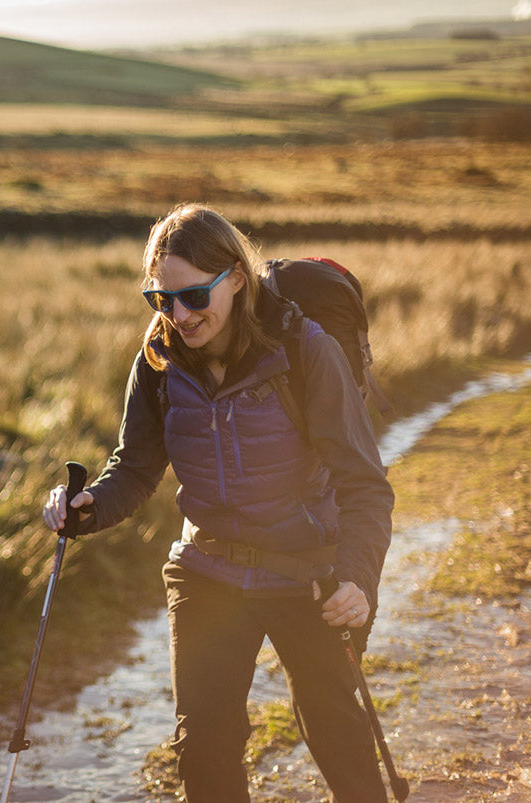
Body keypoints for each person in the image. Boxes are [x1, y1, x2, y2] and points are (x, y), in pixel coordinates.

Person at [42, 204, 394, 802]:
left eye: (194, 297)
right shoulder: (158, 363)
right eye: (161, 300)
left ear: (236, 277)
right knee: (203, 746)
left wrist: (358, 578)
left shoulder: (305, 352)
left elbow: (364, 485)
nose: (178, 315)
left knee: (337, 733)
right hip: (206, 572)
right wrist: (89, 507)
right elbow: (134, 466)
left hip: (309, 572)